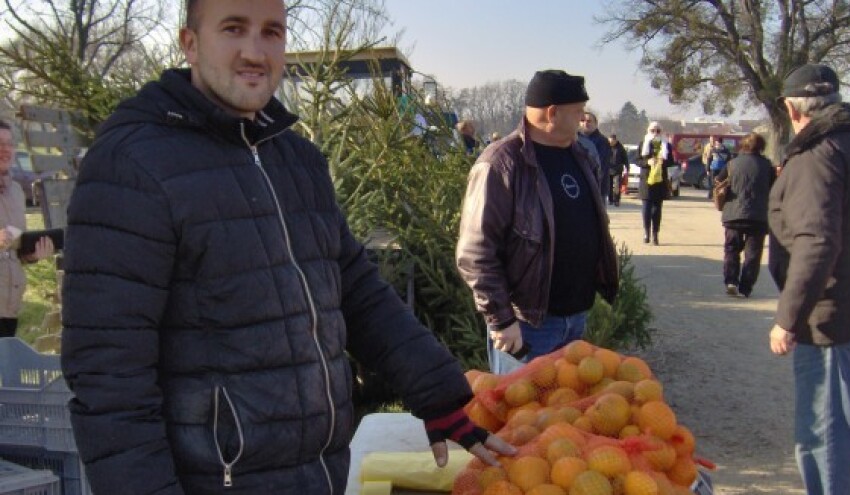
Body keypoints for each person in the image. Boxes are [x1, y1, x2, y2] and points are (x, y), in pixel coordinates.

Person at [59, 1, 514, 494]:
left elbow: (355, 290)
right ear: (190, 43)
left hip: (316, 475)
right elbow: (108, 374)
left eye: (271, 32)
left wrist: (438, 393)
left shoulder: (297, 160)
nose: (255, 51)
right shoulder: (134, 164)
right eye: (234, 29)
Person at [456, 69, 619, 375]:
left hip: (575, 319)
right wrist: (502, 320)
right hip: (528, 327)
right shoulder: (501, 164)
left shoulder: (582, 155)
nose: (584, 119)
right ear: (552, 113)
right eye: (578, 112)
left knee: (563, 416)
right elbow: (475, 252)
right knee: (522, 419)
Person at [768, 63, 850, 494]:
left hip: (831, 316)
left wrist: (788, 318)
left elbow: (817, 242)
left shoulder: (821, 153)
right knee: (837, 431)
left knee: (825, 439)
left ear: (792, 108)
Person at [0, 119, 54, 337]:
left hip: (8, 307)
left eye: (9, 144)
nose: (5, 150)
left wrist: (32, 254)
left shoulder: (16, 191)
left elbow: (14, 250)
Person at [715, 132, 774, 298]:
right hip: (758, 216)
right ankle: (746, 287)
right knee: (753, 254)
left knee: (731, 249)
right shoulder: (767, 166)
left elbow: (718, 181)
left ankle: (731, 281)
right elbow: (774, 189)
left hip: (733, 214)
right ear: (761, 147)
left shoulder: (732, 164)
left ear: (743, 145)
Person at [637, 121, 674, 245]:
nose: (655, 133)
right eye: (653, 130)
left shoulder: (666, 145)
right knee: (646, 208)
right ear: (649, 131)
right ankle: (646, 232)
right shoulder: (643, 143)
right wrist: (648, 162)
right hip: (646, 179)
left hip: (660, 180)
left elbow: (671, 161)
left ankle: (655, 234)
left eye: (658, 131)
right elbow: (637, 160)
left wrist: (663, 161)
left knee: (657, 209)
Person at [578, 111, 612, 203]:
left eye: (589, 121)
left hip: (597, 186)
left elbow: (601, 166)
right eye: (582, 120)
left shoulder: (602, 141)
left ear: (596, 124)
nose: (585, 123)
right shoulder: (577, 139)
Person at [607, 134, 628, 207]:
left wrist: (627, 167)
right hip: (608, 169)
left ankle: (617, 200)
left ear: (615, 140)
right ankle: (610, 199)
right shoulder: (606, 147)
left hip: (618, 169)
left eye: (612, 141)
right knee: (608, 186)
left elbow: (625, 158)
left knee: (617, 186)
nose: (611, 143)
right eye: (610, 142)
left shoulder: (620, 148)